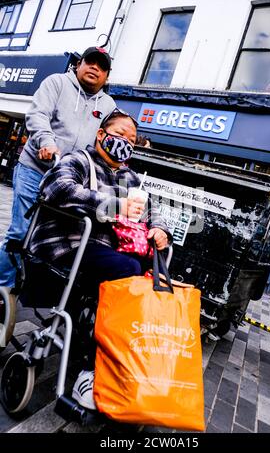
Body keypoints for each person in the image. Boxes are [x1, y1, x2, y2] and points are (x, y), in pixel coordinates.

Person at [29, 109, 171, 410]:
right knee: (128, 269)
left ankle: (119, 353)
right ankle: (88, 368)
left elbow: (151, 209)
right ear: (101, 135)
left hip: (104, 251)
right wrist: (114, 205)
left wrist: (159, 228)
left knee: (147, 275)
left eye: (132, 140)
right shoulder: (79, 160)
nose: (125, 143)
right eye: (120, 135)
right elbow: (56, 189)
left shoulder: (131, 177)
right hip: (68, 243)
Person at [0, 46, 116, 288]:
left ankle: (30, 287)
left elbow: (106, 141)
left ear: (107, 75)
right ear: (79, 64)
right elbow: (38, 114)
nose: (95, 68)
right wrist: (47, 142)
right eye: (90, 62)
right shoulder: (57, 83)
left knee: (51, 239)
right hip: (36, 169)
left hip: (67, 183)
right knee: (21, 232)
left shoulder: (107, 105)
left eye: (101, 66)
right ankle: (4, 287)